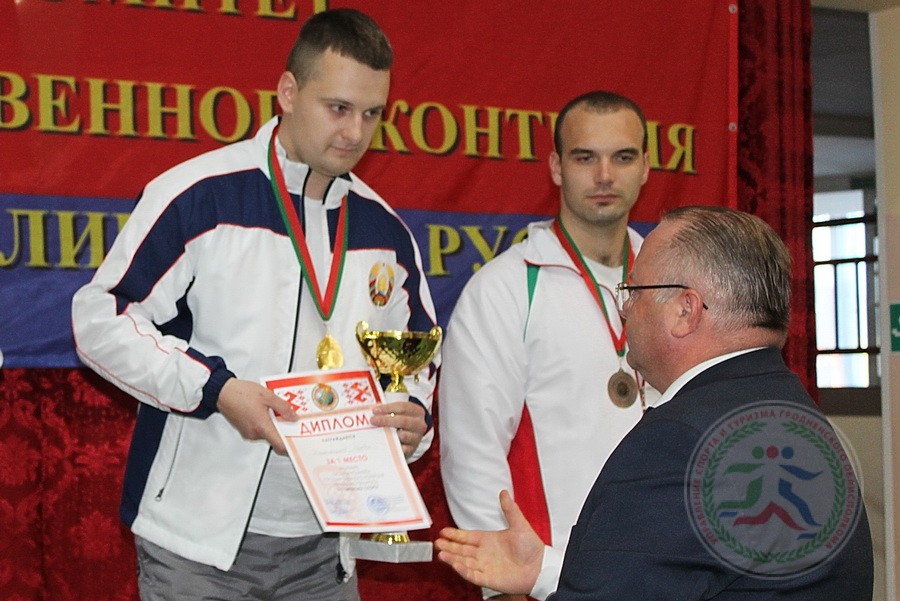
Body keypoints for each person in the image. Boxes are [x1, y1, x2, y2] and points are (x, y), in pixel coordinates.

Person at [71, 9, 437, 601]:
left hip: (326, 552)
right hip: (196, 547)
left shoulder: (385, 231)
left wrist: (412, 414)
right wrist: (216, 389)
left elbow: (416, 358)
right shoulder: (198, 196)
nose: (354, 132)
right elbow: (100, 319)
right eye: (338, 108)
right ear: (288, 92)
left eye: (372, 114)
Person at [435, 206, 874, 600]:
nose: (625, 309)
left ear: (685, 310)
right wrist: (543, 569)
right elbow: (675, 575)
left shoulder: (678, 443)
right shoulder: (794, 416)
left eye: (634, 291)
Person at [439, 90, 654, 600]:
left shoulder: (670, 282)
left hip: (661, 570)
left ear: (646, 166)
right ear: (557, 166)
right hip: (550, 578)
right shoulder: (505, 288)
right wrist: (503, 584)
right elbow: (472, 452)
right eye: (585, 158)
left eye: (623, 157)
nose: (605, 176)